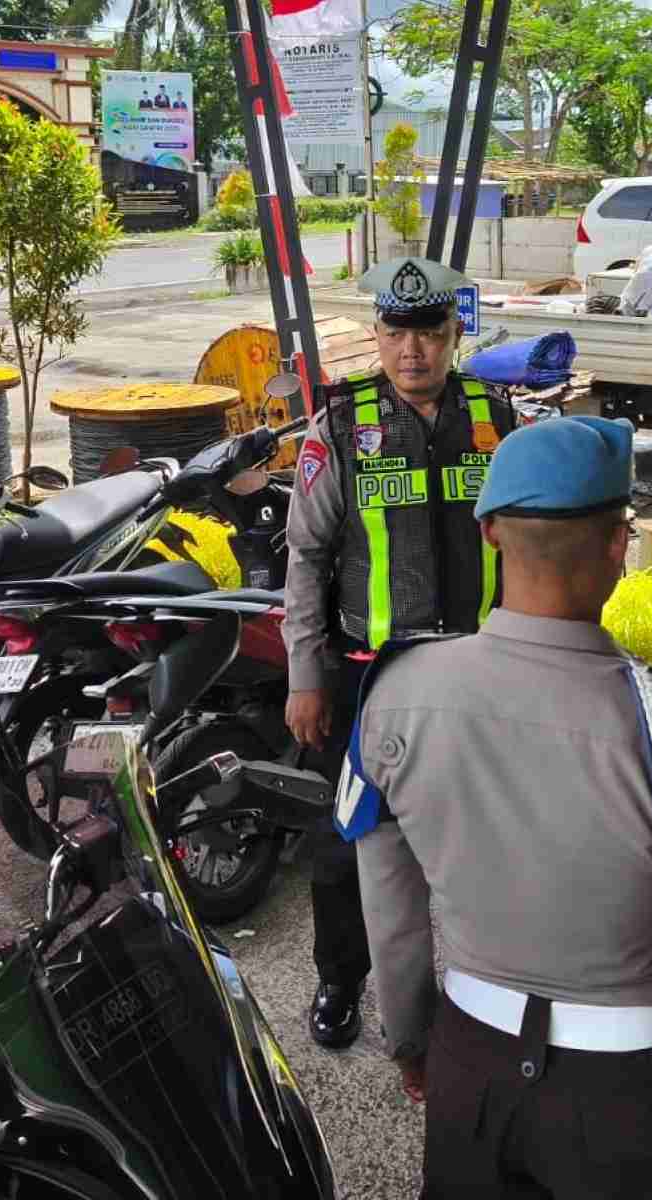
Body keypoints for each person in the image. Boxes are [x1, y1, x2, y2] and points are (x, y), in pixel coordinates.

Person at [342, 415, 652, 1197]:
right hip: (629, 1095)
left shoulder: (397, 694)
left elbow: (390, 905)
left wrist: (410, 1039)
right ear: (620, 545)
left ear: (488, 533)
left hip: (470, 1064)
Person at [282, 255, 519, 1049]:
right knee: (343, 838)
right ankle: (339, 979)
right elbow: (307, 559)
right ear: (376, 338)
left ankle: (482, 987)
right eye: (395, 333)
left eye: (428, 332)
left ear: (454, 334)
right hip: (363, 676)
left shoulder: (495, 418)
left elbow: (522, 544)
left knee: (482, 834)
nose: (412, 350)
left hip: (476, 672)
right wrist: (304, 677)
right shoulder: (340, 427)